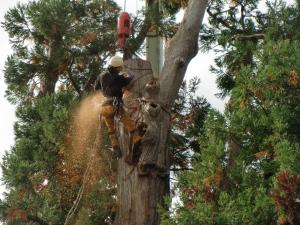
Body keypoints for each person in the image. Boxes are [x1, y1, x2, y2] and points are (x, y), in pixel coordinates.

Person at [94, 55, 142, 158]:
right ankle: (137, 139)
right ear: (117, 67)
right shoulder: (118, 77)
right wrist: (126, 73)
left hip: (104, 107)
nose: (121, 68)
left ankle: (116, 149)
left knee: (111, 129)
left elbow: (95, 87)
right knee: (127, 122)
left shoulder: (101, 75)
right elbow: (131, 78)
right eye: (120, 67)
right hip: (114, 105)